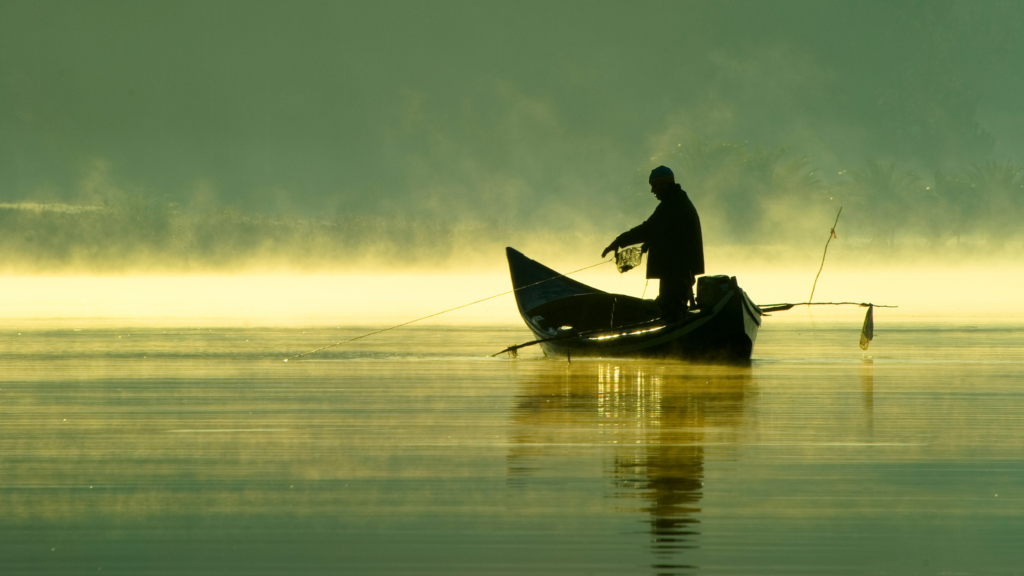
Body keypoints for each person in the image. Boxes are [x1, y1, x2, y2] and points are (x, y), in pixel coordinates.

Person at [602, 165, 704, 320]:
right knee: (674, 308)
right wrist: (648, 244)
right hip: (680, 267)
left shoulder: (672, 205)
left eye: (655, 186)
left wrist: (618, 241)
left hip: (676, 268)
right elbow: (667, 230)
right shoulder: (678, 200)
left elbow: (649, 228)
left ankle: (673, 337)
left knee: (671, 310)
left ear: (664, 184)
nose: (653, 192)